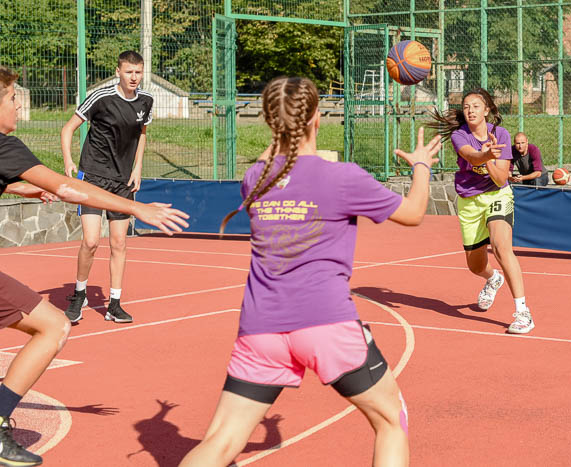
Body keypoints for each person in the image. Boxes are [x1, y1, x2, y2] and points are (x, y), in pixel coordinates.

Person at [178, 76, 441, 467]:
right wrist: (421, 167)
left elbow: (280, 165)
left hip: (260, 328)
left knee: (219, 442)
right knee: (390, 420)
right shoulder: (343, 177)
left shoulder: (255, 179)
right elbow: (415, 213)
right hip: (325, 323)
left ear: (270, 122)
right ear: (318, 117)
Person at [0, 66, 188, 466]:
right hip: (105, 186)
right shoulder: (4, 146)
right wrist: (136, 206)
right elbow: (67, 186)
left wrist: (19, 186)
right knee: (53, 327)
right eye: (12, 98)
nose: (17, 105)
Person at [427, 88, 534, 334]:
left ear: (486, 110)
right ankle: (492, 278)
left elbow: (499, 180)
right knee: (475, 266)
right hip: (469, 201)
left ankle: (523, 313)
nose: (470, 110)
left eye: (475, 106)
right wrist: (485, 154)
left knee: (500, 247)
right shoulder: (459, 136)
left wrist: (489, 157)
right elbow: (471, 156)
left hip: (498, 195)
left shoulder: (502, 135)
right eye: (466, 106)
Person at [61, 50, 154, 324]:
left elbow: (142, 136)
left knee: (119, 243)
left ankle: (114, 303)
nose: (134, 77)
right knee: (90, 242)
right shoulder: (101, 98)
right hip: (93, 176)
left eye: (138, 72)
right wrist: (68, 162)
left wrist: (137, 168)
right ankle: (79, 294)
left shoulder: (146, 101)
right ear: (118, 72)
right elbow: (68, 129)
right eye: (129, 72)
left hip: (122, 180)